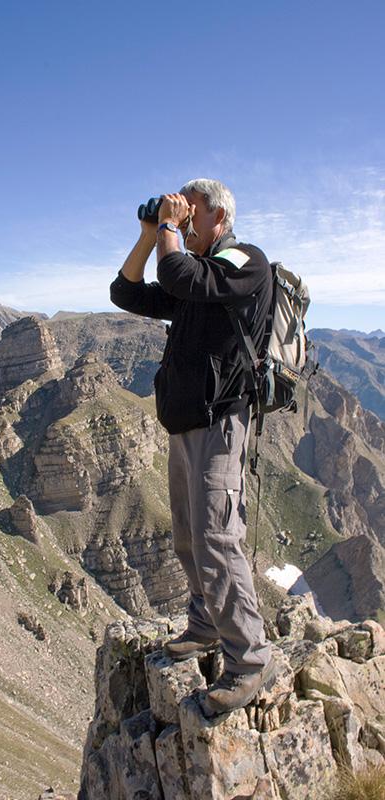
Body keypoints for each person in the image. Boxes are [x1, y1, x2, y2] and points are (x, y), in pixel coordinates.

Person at [109, 178, 276, 714]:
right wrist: (148, 232)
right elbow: (127, 292)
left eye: (190, 208)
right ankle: (205, 624)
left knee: (215, 536)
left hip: (222, 422)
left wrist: (168, 230)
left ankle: (249, 659)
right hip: (184, 423)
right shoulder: (192, 275)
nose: (180, 214)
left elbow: (176, 270)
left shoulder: (245, 261)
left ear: (219, 218)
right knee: (187, 534)